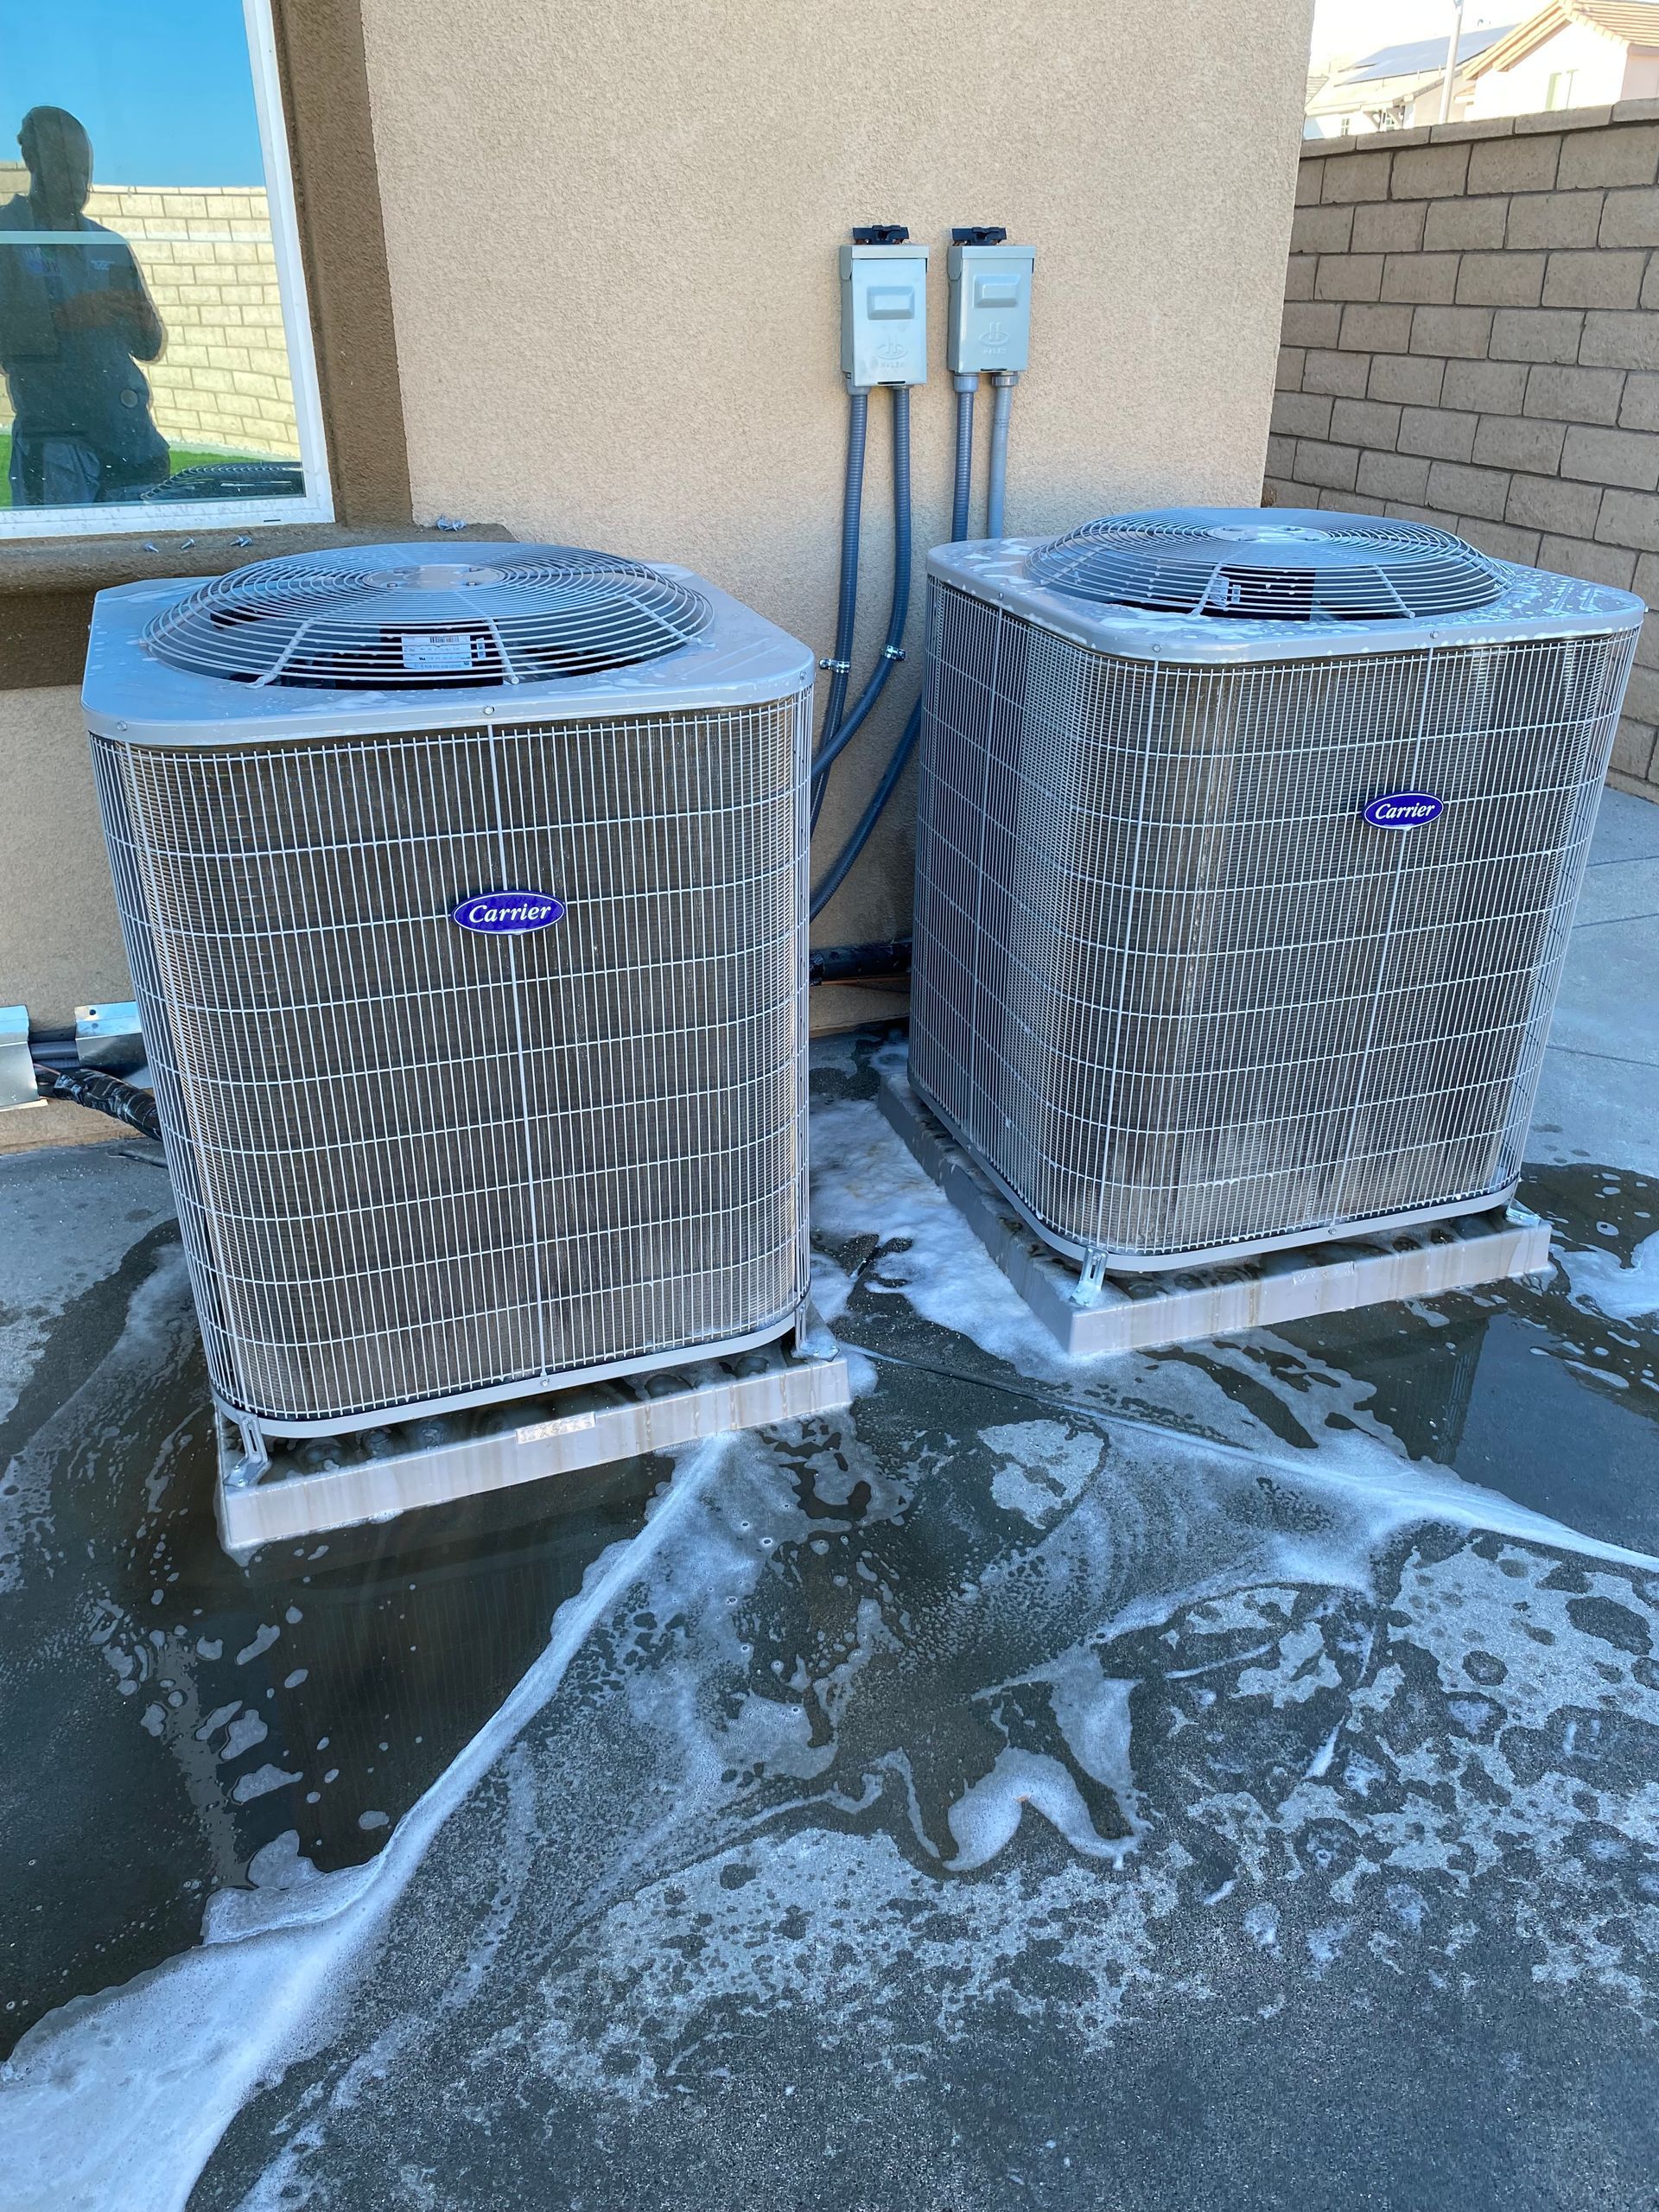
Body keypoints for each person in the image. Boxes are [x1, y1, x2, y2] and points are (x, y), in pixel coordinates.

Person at [0, 105, 168, 505]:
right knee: (67, 561)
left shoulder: (109, 244)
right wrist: (68, 317)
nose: (77, 183)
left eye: (83, 170)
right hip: (57, 448)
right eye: (65, 168)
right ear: (31, 159)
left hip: (132, 442)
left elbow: (149, 347)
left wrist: (144, 322)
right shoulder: (8, 236)